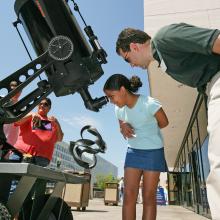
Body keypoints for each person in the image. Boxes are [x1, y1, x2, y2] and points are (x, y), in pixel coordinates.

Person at [116, 23, 220, 220]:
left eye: (128, 58)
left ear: (135, 46)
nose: (131, 65)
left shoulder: (165, 37)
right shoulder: (162, 60)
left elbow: (216, 41)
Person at [103, 74, 168, 220]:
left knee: (148, 196)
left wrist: (148, 129)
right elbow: (122, 125)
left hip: (153, 151)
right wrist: (123, 127)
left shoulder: (149, 103)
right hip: (133, 152)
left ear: (122, 90)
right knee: (129, 195)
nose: (111, 101)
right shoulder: (118, 109)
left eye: (112, 96)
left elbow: (164, 122)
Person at [12, 97, 64, 166]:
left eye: (45, 104)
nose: (42, 105)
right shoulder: (30, 115)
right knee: (11, 174)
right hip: (20, 152)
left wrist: (57, 124)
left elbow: (60, 138)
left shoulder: (52, 123)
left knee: (31, 176)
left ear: (49, 108)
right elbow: (17, 122)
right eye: (40, 103)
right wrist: (31, 115)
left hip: (41, 158)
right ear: (37, 105)